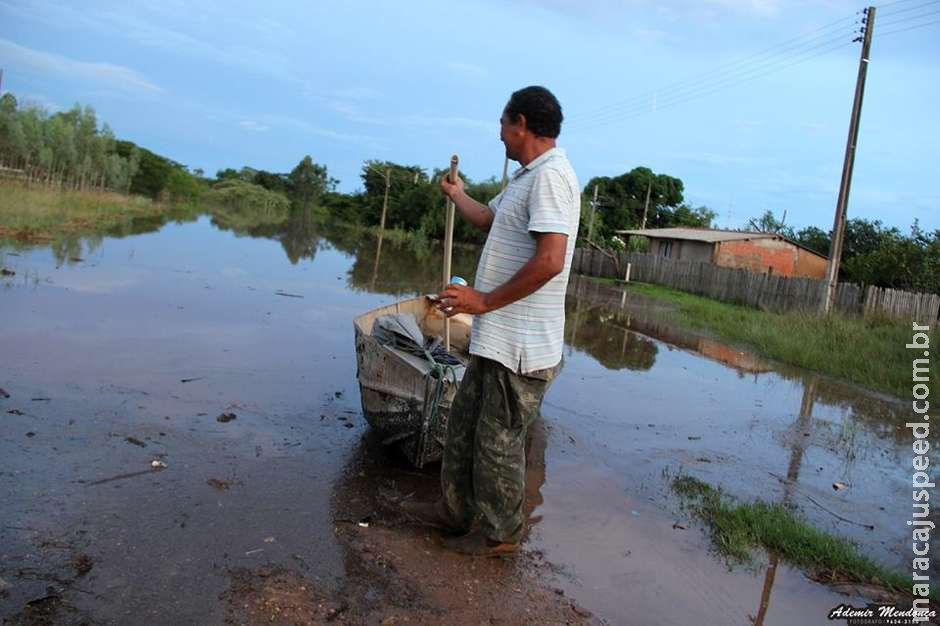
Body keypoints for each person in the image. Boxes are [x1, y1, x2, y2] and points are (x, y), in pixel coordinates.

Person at [402, 85, 580, 557]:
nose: (499, 133)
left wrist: (482, 301)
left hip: (521, 345)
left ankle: (501, 534)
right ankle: (455, 511)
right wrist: (458, 194)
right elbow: (488, 219)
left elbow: (550, 260)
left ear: (521, 123)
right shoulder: (526, 178)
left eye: (503, 123)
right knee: (464, 428)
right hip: (495, 338)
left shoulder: (551, 178)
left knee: (498, 442)